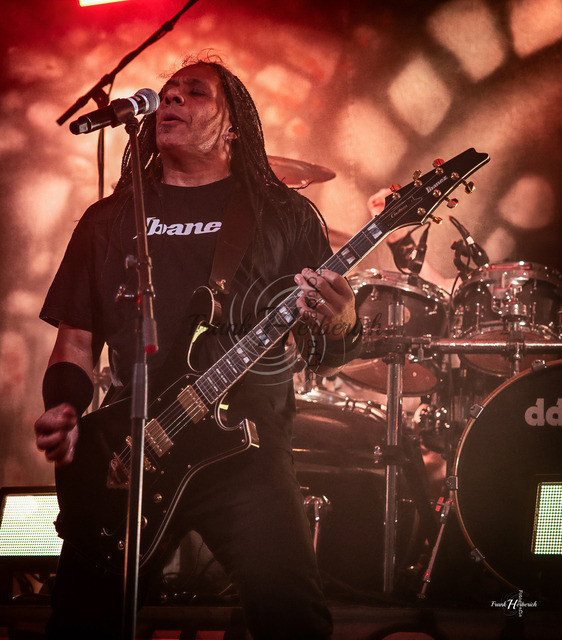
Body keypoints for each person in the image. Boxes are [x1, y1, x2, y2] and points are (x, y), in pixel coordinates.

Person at [33, 56, 362, 639]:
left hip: (245, 454)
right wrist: (64, 405)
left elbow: (321, 351)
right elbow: (76, 341)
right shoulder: (108, 220)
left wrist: (341, 321)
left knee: (294, 620)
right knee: (80, 623)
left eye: (195, 92)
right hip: (131, 455)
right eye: (167, 92)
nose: (172, 99)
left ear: (233, 125)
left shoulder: (282, 215)